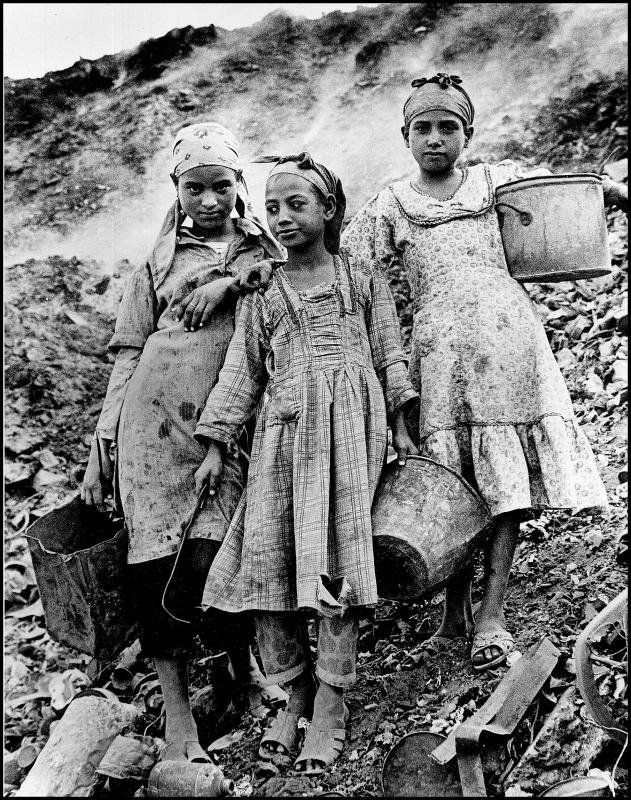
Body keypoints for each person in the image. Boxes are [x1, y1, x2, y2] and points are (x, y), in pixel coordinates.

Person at [341, 73, 627, 672]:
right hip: (440, 360)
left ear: (468, 133)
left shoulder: (496, 183)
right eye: (423, 127)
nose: (436, 138)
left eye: (449, 127)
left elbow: (561, 199)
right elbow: (348, 274)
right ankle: (452, 616)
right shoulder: (392, 204)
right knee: (452, 485)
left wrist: (607, 192)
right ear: (405, 136)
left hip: (511, 350)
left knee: (506, 487)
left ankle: (491, 614)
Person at [193, 152, 418, 773]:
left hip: (351, 435)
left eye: (298, 204)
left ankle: (331, 701)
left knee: (335, 568)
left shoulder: (360, 278)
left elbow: (391, 354)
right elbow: (242, 371)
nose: (283, 218)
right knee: (271, 562)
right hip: (282, 445)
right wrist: (216, 445)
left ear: (329, 210)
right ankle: (290, 692)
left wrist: (402, 428)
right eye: (272, 207)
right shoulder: (263, 292)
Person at [81, 122, 286, 762]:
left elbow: (288, 289)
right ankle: (179, 728)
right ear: (177, 189)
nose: (208, 201)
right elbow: (128, 353)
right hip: (152, 429)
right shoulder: (157, 263)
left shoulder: (266, 249)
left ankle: (243, 679)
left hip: (229, 426)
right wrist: (104, 435)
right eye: (194, 188)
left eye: (221, 186)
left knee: (223, 557)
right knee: (158, 570)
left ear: (239, 186)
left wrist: (226, 283)